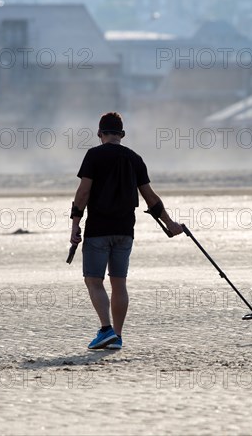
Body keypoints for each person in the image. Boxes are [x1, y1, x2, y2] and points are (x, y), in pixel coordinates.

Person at [70, 112, 182, 350]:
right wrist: (170, 223)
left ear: (100, 133)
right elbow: (150, 198)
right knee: (119, 283)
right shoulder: (134, 158)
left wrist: (75, 224)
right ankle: (116, 337)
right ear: (122, 134)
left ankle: (105, 330)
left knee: (94, 280)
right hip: (125, 231)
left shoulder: (93, 155)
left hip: (98, 229)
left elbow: (83, 193)